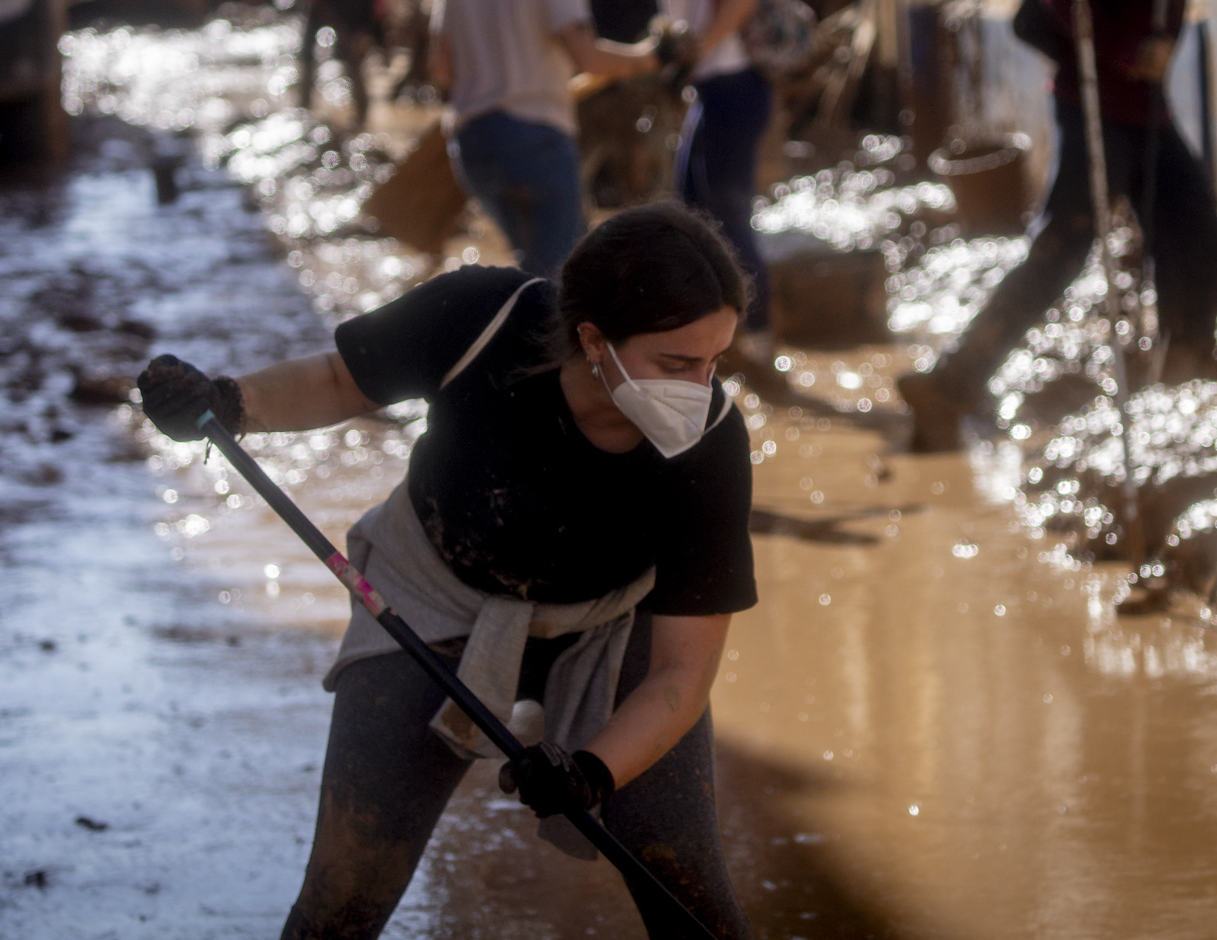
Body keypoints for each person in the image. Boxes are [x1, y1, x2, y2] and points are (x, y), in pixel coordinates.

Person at [135, 203, 760, 940]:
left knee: (690, 896)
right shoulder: (481, 316)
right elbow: (342, 380)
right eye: (678, 364)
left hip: (609, 629)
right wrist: (228, 404)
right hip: (429, 600)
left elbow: (681, 675)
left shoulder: (710, 443)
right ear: (593, 338)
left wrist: (591, 771)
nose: (701, 387)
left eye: (715, 361)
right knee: (344, 896)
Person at [900, 0, 1217, 451]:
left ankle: (1180, 385)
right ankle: (950, 381)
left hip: (1143, 113)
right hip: (1100, 110)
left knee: (1199, 237)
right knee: (1062, 251)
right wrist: (1127, 51)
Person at [430, 0, 659, 276]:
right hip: (537, 137)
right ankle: (539, 341)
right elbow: (587, 57)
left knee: (531, 265)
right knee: (558, 274)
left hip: (472, 142)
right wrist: (649, 55)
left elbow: (441, 70)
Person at [591, 0, 770, 355]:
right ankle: (714, 339)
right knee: (693, 214)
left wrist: (696, 51)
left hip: (733, 84)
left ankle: (757, 342)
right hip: (713, 86)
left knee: (727, 219)